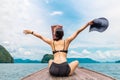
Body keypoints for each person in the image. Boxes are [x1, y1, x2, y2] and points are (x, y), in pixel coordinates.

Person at [23, 21, 93, 77]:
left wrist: (31, 32)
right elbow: (78, 31)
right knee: (76, 62)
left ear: (55, 35)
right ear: (62, 34)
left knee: (50, 60)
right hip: (65, 70)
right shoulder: (67, 41)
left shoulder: (52, 42)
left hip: (53, 71)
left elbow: (40, 36)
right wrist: (87, 24)